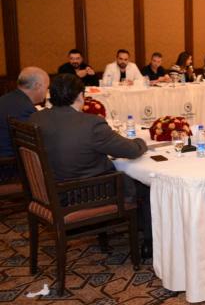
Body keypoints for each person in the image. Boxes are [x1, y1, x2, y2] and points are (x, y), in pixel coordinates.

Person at [28, 74, 154, 258]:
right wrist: (141, 142)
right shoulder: (91, 124)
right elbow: (131, 151)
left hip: (47, 192)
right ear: (80, 96)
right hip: (82, 195)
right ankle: (149, 243)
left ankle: (136, 228)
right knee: (147, 185)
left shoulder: (36, 118)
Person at [0, 67, 50, 160]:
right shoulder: (25, 108)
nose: (47, 92)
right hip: (9, 162)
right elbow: (32, 144)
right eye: (46, 87)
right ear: (37, 86)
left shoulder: (6, 98)